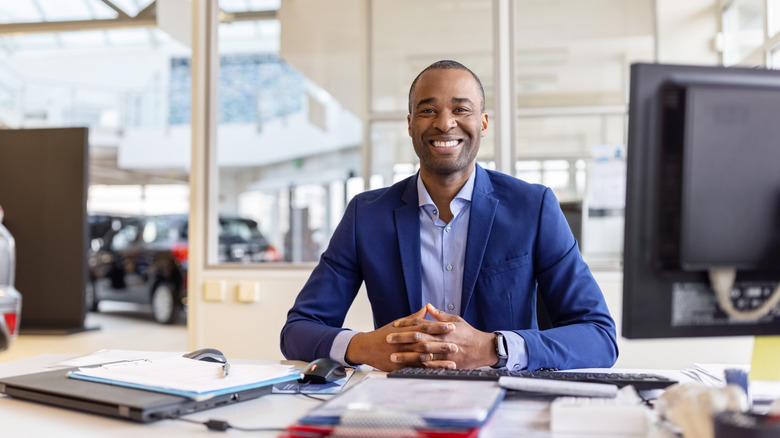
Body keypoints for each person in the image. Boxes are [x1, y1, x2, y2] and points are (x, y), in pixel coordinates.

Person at [280, 60, 618, 372]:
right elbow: (297, 331)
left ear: (483, 123)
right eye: (428, 110)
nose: (444, 123)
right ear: (410, 124)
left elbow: (599, 337)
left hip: (505, 401)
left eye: (461, 109)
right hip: (402, 404)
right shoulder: (366, 215)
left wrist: (494, 347)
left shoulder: (534, 207)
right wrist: (362, 346)